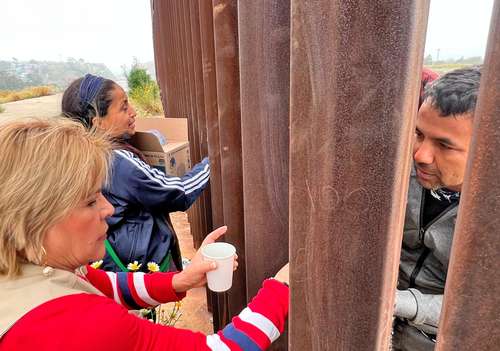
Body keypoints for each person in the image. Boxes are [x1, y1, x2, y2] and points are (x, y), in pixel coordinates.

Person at [0, 118, 289, 351]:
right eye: (90, 201)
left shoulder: (33, 266)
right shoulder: (82, 327)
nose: (109, 209)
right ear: (34, 219)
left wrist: (180, 280)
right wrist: (280, 290)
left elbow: (110, 285)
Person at [61, 74, 210, 273]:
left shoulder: (79, 154)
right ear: (98, 122)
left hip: (111, 263)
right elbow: (177, 192)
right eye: (123, 107)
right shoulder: (118, 160)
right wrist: (211, 164)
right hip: (142, 266)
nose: (133, 112)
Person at [393, 67, 481, 350]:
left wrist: (395, 302)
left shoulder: (489, 217)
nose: (421, 155)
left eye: (444, 145)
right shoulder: (399, 172)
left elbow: (483, 308)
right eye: (419, 134)